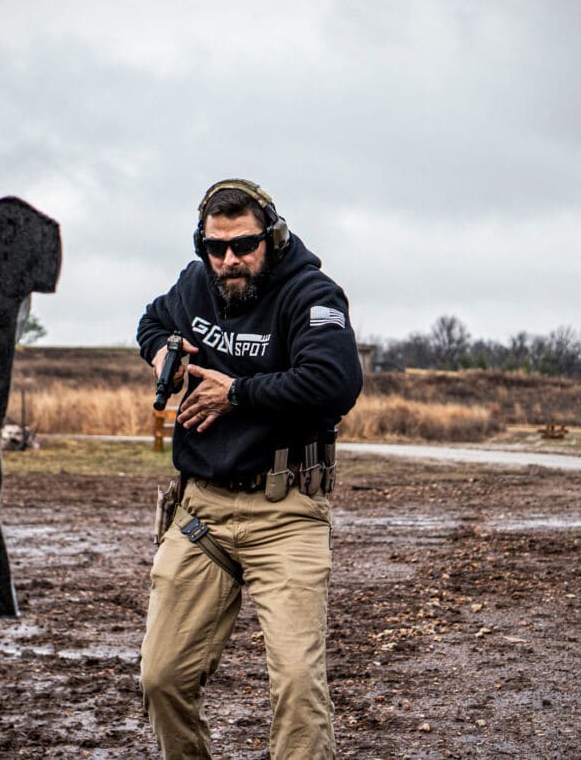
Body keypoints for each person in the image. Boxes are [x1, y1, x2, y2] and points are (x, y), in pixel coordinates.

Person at [136, 179, 363, 758]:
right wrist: (163, 351)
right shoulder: (195, 284)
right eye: (216, 248)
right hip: (200, 513)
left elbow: (335, 383)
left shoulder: (311, 295)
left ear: (273, 237)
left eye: (244, 245)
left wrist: (235, 394)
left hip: (285, 511)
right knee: (162, 680)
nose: (230, 260)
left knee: (296, 685)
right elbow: (151, 321)